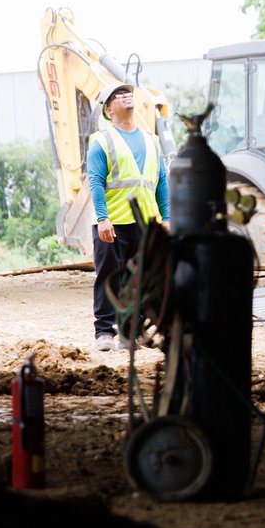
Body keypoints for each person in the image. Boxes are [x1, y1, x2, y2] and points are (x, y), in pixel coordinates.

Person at [87, 83, 170, 351]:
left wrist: (166, 217)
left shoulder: (152, 141)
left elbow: (162, 183)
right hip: (113, 222)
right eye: (117, 96)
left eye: (127, 93)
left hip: (145, 223)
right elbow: (96, 182)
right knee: (109, 275)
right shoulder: (102, 140)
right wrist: (102, 218)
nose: (125, 96)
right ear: (109, 110)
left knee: (142, 278)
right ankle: (104, 331)